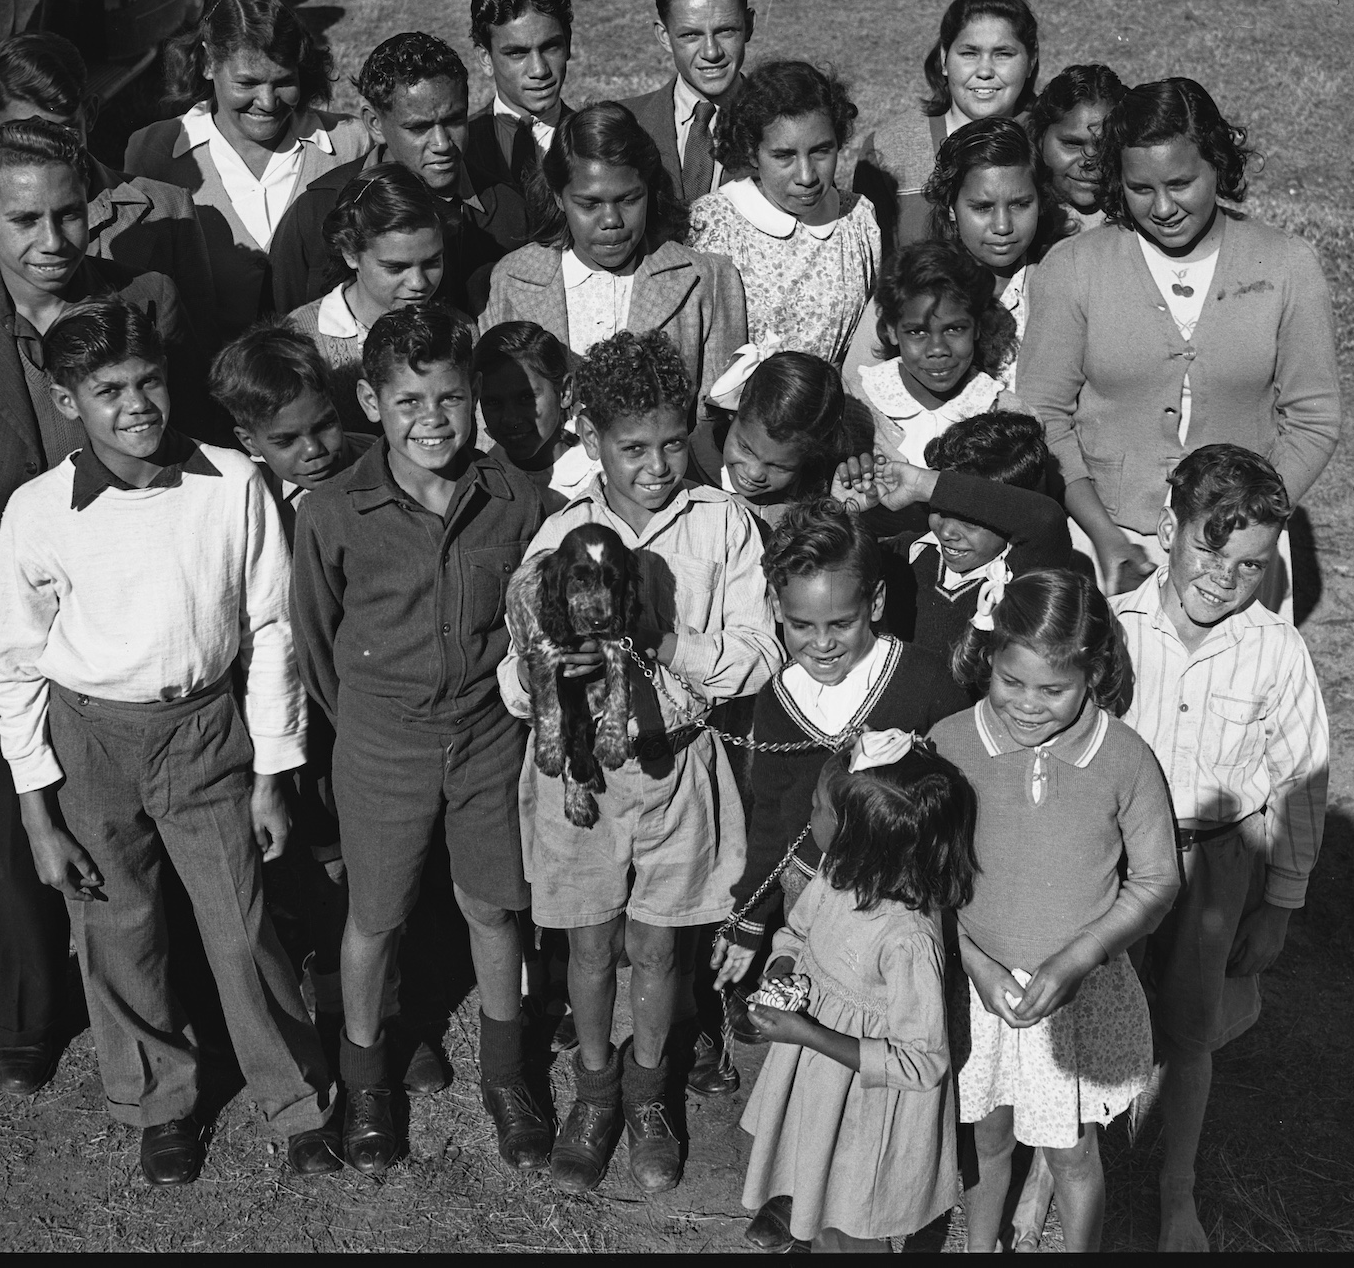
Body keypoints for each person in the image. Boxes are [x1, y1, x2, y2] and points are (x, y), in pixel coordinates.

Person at [0, 300, 340, 1185]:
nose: (135, 404)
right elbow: (13, 665)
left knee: (240, 922)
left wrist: (272, 770)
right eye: (107, 390)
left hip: (203, 733)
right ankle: (158, 1101)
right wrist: (37, 812)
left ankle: (295, 1097)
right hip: (90, 739)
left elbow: (268, 629)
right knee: (118, 926)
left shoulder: (230, 482)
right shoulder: (38, 510)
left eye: (147, 381)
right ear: (67, 401)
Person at [0, 123, 200, 1103]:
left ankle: (171, 986)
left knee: (142, 798)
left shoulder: (142, 303)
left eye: (68, 213)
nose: (52, 238)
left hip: (134, 595)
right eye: (24, 219)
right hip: (1, 602)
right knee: (11, 797)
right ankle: (25, 1010)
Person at [499, 329, 781, 1196]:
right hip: (581, 775)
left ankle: (649, 1091)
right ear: (590, 439)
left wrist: (662, 641)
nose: (657, 465)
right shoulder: (560, 532)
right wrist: (548, 671)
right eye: (633, 448)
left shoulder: (723, 523)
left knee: (659, 948)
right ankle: (594, 1090)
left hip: (678, 765)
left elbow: (758, 654)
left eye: (672, 443)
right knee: (589, 946)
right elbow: (515, 671)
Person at [290, 310, 549, 1176]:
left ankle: (507, 1073)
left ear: (474, 397)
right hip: (380, 742)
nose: (432, 419)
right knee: (374, 915)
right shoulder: (334, 510)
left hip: (487, 737)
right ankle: (366, 1081)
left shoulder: (513, 498)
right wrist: (371, 721)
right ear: (371, 401)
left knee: (494, 905)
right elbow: (317, 642)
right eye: (408, 401)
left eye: (450, 398)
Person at [1111, 445, 1331, 1252]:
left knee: (1190, 1032)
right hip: (1116, 860)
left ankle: (1178, 1190)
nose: (1224, 577)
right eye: (1210, 548)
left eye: (1250, 564)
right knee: (1093, 1016)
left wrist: (1280, 905)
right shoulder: (1111, 626)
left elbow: (1301, 778)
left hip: (1217, 864)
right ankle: (1056, 1172)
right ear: (1170, 527)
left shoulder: (1276, 648)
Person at [1018, 77, 1341, 607]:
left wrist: (1246, 526)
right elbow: (1044, 415)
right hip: (1108, 546)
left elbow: (1314, 419)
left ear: (1218, 165)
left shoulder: (1287, 265)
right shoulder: (1074, 267)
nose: (1163, 207)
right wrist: (1104, 536)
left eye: (1181, 183)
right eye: (1141, 189)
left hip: (1240, 546)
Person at [707, 503, 956, 1189]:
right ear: (776, 612)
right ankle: (799, 1178)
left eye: (840, 623)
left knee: (880, 1039)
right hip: (807, 901)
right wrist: (749, 918)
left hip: (897, 913)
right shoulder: (776, 698)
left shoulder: (926, 682)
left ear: (874, 603)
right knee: (807, 1035)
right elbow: (772, 818)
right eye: (800, 625)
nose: (820, 644)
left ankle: (868, 1186)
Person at [932, 568, 1180, 1254]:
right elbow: (921, 880)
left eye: (1053, 690)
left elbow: (1156, 879)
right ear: (988, 658)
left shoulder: (1124, 758)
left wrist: (1080, 957)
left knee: (1071, 1151)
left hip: (1076, 995)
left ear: (1093, 674)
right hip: (977, 991)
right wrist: (973, 961)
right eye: (1011, 681)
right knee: (985, 1134)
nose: (1028, 705)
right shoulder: (949, 745)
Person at [737, 730, 977, 1252]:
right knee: (816, 1197)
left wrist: (807, 1034)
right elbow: (798, 931)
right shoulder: (837, 872)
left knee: (850, 1226)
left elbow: (922, 1062)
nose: (810, 817)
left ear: (860, 836)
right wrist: (782, 966)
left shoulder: (908, 941)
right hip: (817, 1083)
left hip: (866, 1109)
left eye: (818, 809)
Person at [208, 323, 377, 1036]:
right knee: (308, 861)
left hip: (362, 708)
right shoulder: (233, 499)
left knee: (365, 861)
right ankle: (328, 994)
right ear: (249, 440)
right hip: (275, 715)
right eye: (287, 440)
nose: (315, 449)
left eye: (324, 425)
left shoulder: (377, 472)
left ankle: (372, 1004)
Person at [0, 32, 218, 347]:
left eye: (65, 129)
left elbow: (199, 349)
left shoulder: (168, 207)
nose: (48, 147)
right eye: (24, 132)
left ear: (90, 113)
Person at [478, 102, 748, 415]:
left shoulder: (705, 279)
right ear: (558, 197)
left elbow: (716, 415)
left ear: (648, 189)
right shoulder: (512, 279)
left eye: (628, 200)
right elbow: (489, 410)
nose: (611, 220)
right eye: (589, 204)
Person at [126, 0, 368, 330]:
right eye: (247, 83)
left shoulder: (350, 143)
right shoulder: (153, 153)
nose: (267, 102)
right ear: (208, 63)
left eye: (284, 81)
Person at [268, 31, 532, 313]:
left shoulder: (511, 213)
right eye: (419, 127)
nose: (442, 144)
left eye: (454, 121)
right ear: (374, 124)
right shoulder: (316, 213)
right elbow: (285, 326)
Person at [840, 413, 1073, 671]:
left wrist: (922, 483)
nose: (947, 531)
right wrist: (838, 514)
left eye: (970, 520)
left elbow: (1046, 519)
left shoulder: (1027, 575)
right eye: (939, 509)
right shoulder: (906, 553)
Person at [690, 61, 880, 374]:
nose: (806, 176)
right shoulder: (713, 224)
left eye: (821, 151)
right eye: (784, 156)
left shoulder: (857, 219)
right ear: (751, 152)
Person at [854, 0, 1041, 255]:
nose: (985, 71)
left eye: (1003, 54)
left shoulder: (1051, 141)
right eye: (969, 53)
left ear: (1031, 61)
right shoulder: (889, 148)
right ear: (944, 59)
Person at [285, 163, 452, 429]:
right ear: (350, 254)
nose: (418, 283)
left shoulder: (458, 328)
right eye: (396, 268)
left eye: (432, 262)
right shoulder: (302, 337)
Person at [850, 238, 1024, 461]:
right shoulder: (858, 404)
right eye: (917, 332)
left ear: (977, 327)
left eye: (954, 329)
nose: (938, 349)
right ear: (892, 331)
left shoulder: (1006, 416)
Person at [921, 118, 1056, 386]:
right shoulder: (914, 286)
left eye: (1020, 204)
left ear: (1040, 202)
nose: (1003, 226)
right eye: (983, 207)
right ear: (951, 208)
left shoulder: (1060, 285)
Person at [619, 0, 756, 203]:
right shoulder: (624, 122)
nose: (711, 52)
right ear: (664, 36)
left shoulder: (783, 125)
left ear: (748, 25)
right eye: (691, 35)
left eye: (726, 31)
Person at [690, 349, 866, 533]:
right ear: (732, 414)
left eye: (778, 466)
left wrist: (837, 516)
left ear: (810, 457)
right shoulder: (683, 474)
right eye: (745, 449)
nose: (754, 473)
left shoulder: (813, 498)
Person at [466, 0, 578, 191]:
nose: (539, 70)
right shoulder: (460, 148)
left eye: (550, 47)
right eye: (517, 53)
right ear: (486, 59)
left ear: (568, 45)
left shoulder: (596, 142)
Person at [477, 320, 596, 511]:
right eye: (493, 402)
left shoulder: (602, 474)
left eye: (526, 398)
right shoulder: (481, 482)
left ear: (565, 392)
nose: (511, 418)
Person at [1032, 63, 1128, 237]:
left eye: (1104, 146)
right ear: (1040, 138)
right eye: (1072, 144)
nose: (1089, 160)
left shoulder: (1139, 222)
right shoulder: (1020, 217)